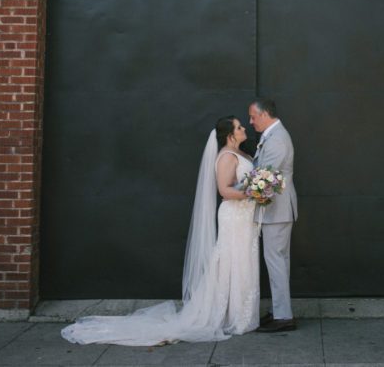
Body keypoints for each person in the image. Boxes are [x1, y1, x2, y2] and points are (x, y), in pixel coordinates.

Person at [61, 116, 260, 346]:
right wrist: (252, 194)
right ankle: (232, 316)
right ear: (230, 135)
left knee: (242, 260)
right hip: (234, 216)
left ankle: (239, 314)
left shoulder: (241, 153)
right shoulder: (226, 156)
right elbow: (224, 190)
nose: (244, 128)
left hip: (244, 217)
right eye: (239, 127)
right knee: (231, 261)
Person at [248, 98, 298, 332]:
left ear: (265, 114)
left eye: (253, 117)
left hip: (276, 210)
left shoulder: (277, 139)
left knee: (276, 261)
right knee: (279, 261)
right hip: (277, 210)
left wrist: (238, 196)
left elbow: (266, 177)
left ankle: (283, 317)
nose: (250, 121)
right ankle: (280, 310)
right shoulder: (273, 135)